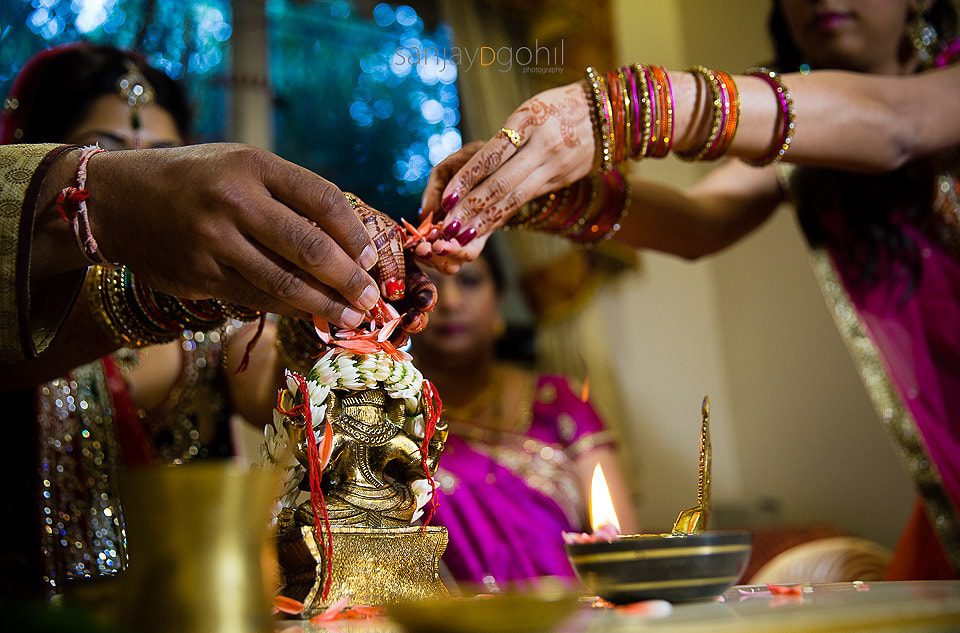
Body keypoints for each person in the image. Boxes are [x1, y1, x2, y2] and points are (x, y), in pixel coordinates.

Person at [418, 0, 960, 579]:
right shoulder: (810, 140)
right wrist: (544, 195)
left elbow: (895, 125)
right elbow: (697, 221)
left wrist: (619, 108)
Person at [0, 44, 435, 598]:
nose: (143, 174)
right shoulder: (20, 306)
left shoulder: (217, 326)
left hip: (206, 612)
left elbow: (281, 390)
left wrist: (342, 307)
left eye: (159, 154)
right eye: (108, 154)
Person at [411, 242, 636, 589]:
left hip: (576, 622)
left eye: (469, 281)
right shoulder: (393, 420)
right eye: (428, 290)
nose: (452, 303)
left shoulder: (557, 400)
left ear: (499, 302)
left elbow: (622, 542)